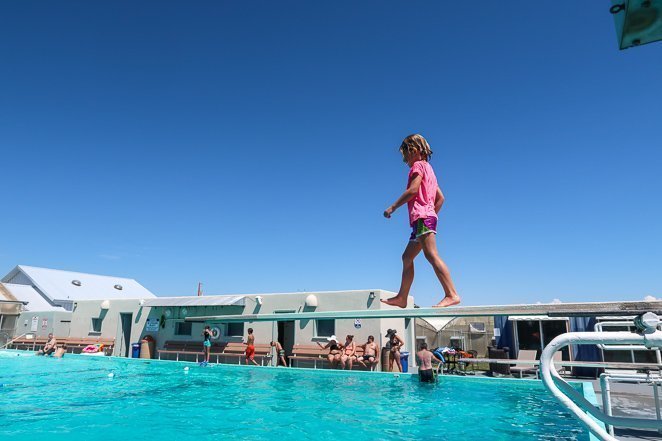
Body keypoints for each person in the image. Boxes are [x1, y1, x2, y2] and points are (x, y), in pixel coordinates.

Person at [381, 134, 461, 308]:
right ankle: (402, 297)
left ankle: (451, 294)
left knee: (431, 254)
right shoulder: (430, 170)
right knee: (407, 257)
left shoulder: (417, 166)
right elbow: (441, 198)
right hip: (423, 218)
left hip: (423, 217)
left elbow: (413, 190)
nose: (405, 161)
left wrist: (392, 207)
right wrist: (432, 213)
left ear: (414, 151)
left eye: (405, 156)